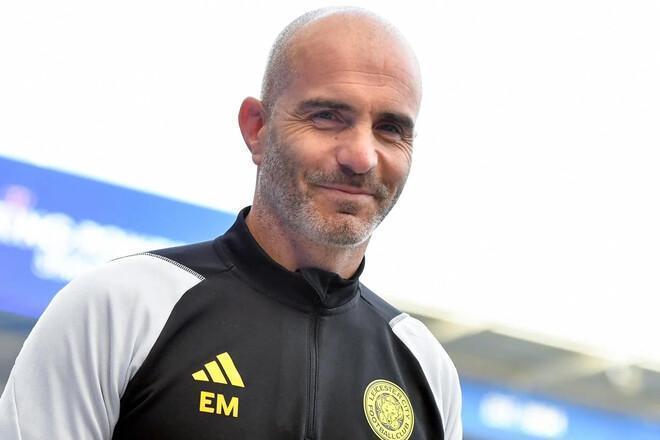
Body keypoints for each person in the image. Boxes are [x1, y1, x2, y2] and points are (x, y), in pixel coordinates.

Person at [0, 7, 462, 439]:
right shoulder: (119, 307)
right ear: (257, 128)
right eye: (327, 117)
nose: (361, 156)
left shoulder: (426, 368)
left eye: (390, 129)